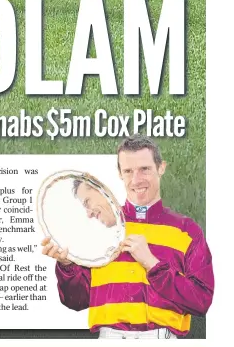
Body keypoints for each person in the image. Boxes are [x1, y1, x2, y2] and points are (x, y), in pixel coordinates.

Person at [43, 136, 214, 338]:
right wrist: (66, 266)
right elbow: (76, 301)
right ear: (120, 174)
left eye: (144, 169)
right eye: (128, 171)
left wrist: (153, 265)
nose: (136, 180)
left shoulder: (187, 230)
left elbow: (201, 301)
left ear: (161, 168)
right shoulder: (99, 232)